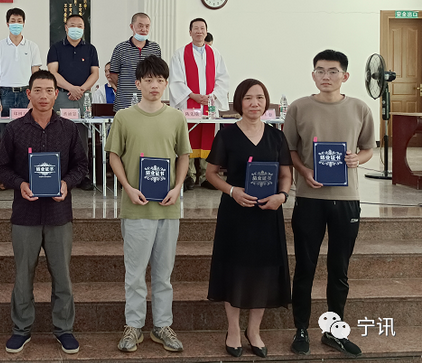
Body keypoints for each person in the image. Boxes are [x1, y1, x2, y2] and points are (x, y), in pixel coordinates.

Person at [284, 49, 374, 357]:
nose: (326, 76)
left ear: (345, 76)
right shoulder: (298, 107)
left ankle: (334, 333)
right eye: (320, 71)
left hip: (347, 199)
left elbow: (367, 149)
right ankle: (301, 330)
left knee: (339, 268)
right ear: (313, 75)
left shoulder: (360, 108)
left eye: (333, 71)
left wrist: (355, 159)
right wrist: (304, 171)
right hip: (309, 198)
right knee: (305, 267)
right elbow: (290, 150)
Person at [0, 70, 89, 355]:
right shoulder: (13, 130)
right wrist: (20, 183)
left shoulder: (69, 129)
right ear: (29, 94)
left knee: (62, 275)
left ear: (56, 94)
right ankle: (21, 329)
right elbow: (1, 168)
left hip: (59, 213)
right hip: (25, 213)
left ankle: (64, 329)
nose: (44, 96)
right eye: (38, 90)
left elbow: (81, 166)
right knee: (23, 275)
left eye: (49, 90)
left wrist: (66, 183)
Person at [105, 55, 190, 354]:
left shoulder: (176, 117)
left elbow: (183, 155)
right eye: (149, 80)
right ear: (138, 83)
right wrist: (127, 187)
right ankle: (134, 326)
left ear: (166, 84)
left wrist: (178, 187)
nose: (155, 86)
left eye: (160, 80)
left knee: (164, 273)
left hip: (168, 206)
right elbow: (113, 154)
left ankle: (162, 325)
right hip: (136, 205)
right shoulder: (124, 117)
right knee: (135, 271)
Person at [205, 79, 292, 358]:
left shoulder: (276, 136)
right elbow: (211, 173)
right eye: (248, 98)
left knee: (264, 271)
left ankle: (254, 330)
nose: (255, 103)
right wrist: (232, 191)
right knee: (235, 269)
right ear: (239, 103)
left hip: (268, 215)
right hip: (236, 213)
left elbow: (286, 175)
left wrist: (282, 196)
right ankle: (232, 329)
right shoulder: (227, 135)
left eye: (260, 98)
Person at [169, 18, 230, 190]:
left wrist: (212, 96)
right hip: (189, 103)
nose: (199, 31)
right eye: (195, 28)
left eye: (202, 28)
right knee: (187, 137)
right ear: (190, 32)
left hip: (209, 104)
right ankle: (188, 175)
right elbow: (176, 79)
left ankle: (206, 175)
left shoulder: (215, 54)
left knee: (209, 139)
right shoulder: (180, 54)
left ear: (206, 31)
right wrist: (193, 95)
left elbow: (223, 79)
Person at [0, 7, 42, 190]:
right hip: (6, 94)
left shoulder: (32, 46)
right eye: (13, 20)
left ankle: (27, 176)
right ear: (7, 23)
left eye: (19, 20)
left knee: (29, 135)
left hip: (26, 93)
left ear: (24, 23)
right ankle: (5, 178)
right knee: (6, 137)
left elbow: (36, 76)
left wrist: (33, 97)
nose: (16, 24)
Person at [47, 14, 98, 191]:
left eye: (80, 26)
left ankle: (82, 175)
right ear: (66, 27)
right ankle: (60, 173)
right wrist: (71, 88)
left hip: (83, 97)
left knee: (82, 136)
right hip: (62, 96)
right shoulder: (56, 48)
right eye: (73, 25)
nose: (76, 28)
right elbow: (52, 72)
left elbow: (95, 73)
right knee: (59, 133)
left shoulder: (90, 49)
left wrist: (81, 90)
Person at [108, 12, 162, 112]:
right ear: (132, 27)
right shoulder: (120, 48)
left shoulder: (155, 48)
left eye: (147, 26)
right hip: (124, 102)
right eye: (140, 26)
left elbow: (158, 74)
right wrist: (127, 87)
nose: (144, 29)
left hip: (149, 101)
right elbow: (113, 74)